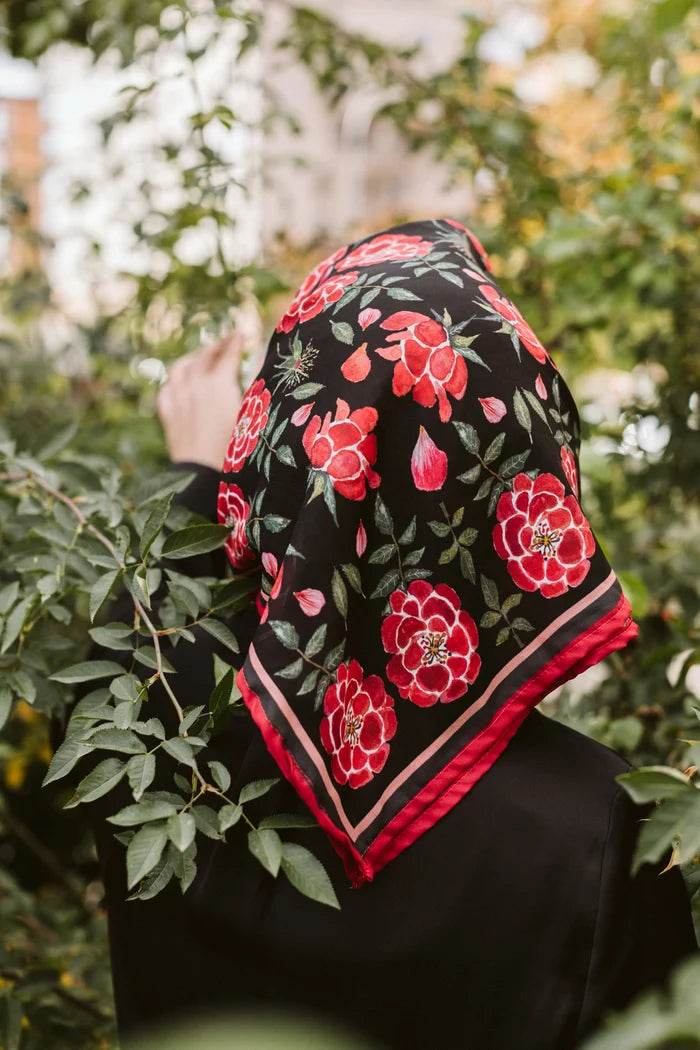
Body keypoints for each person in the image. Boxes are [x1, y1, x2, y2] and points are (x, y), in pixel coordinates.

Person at [91, 218, 696, 1050]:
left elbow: (145, 596)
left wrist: (194, 473)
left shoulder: (150, 708)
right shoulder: (599, 826)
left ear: (272, 449)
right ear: (530, 475)